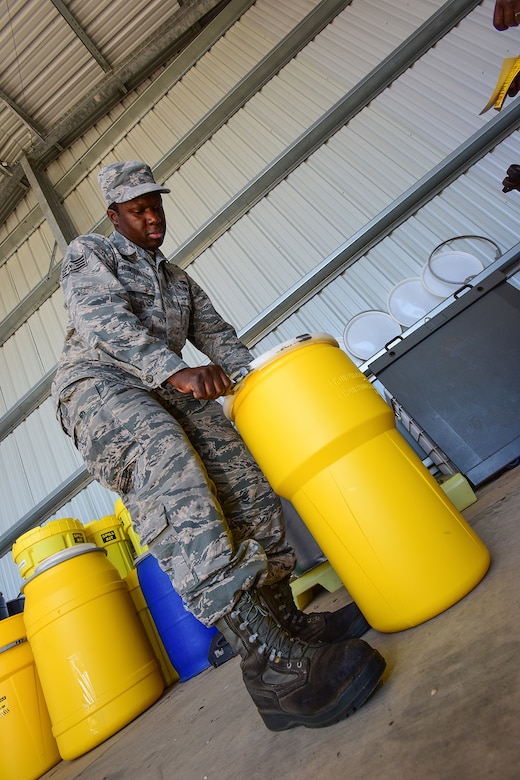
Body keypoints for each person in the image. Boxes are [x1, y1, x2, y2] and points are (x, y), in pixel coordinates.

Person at [51, 160, 386, 731]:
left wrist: (259, 386)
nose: (152, 215)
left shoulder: (177, 280)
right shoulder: (90, 255)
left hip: (167, 388)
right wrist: (171, 369)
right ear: (115, 216)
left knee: (243, 475)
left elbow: (222, 340)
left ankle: (287, 626)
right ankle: (273, 667)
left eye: (156, 203)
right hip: (99, 388)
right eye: (138, 209)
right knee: (169, 461)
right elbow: (103, 321)